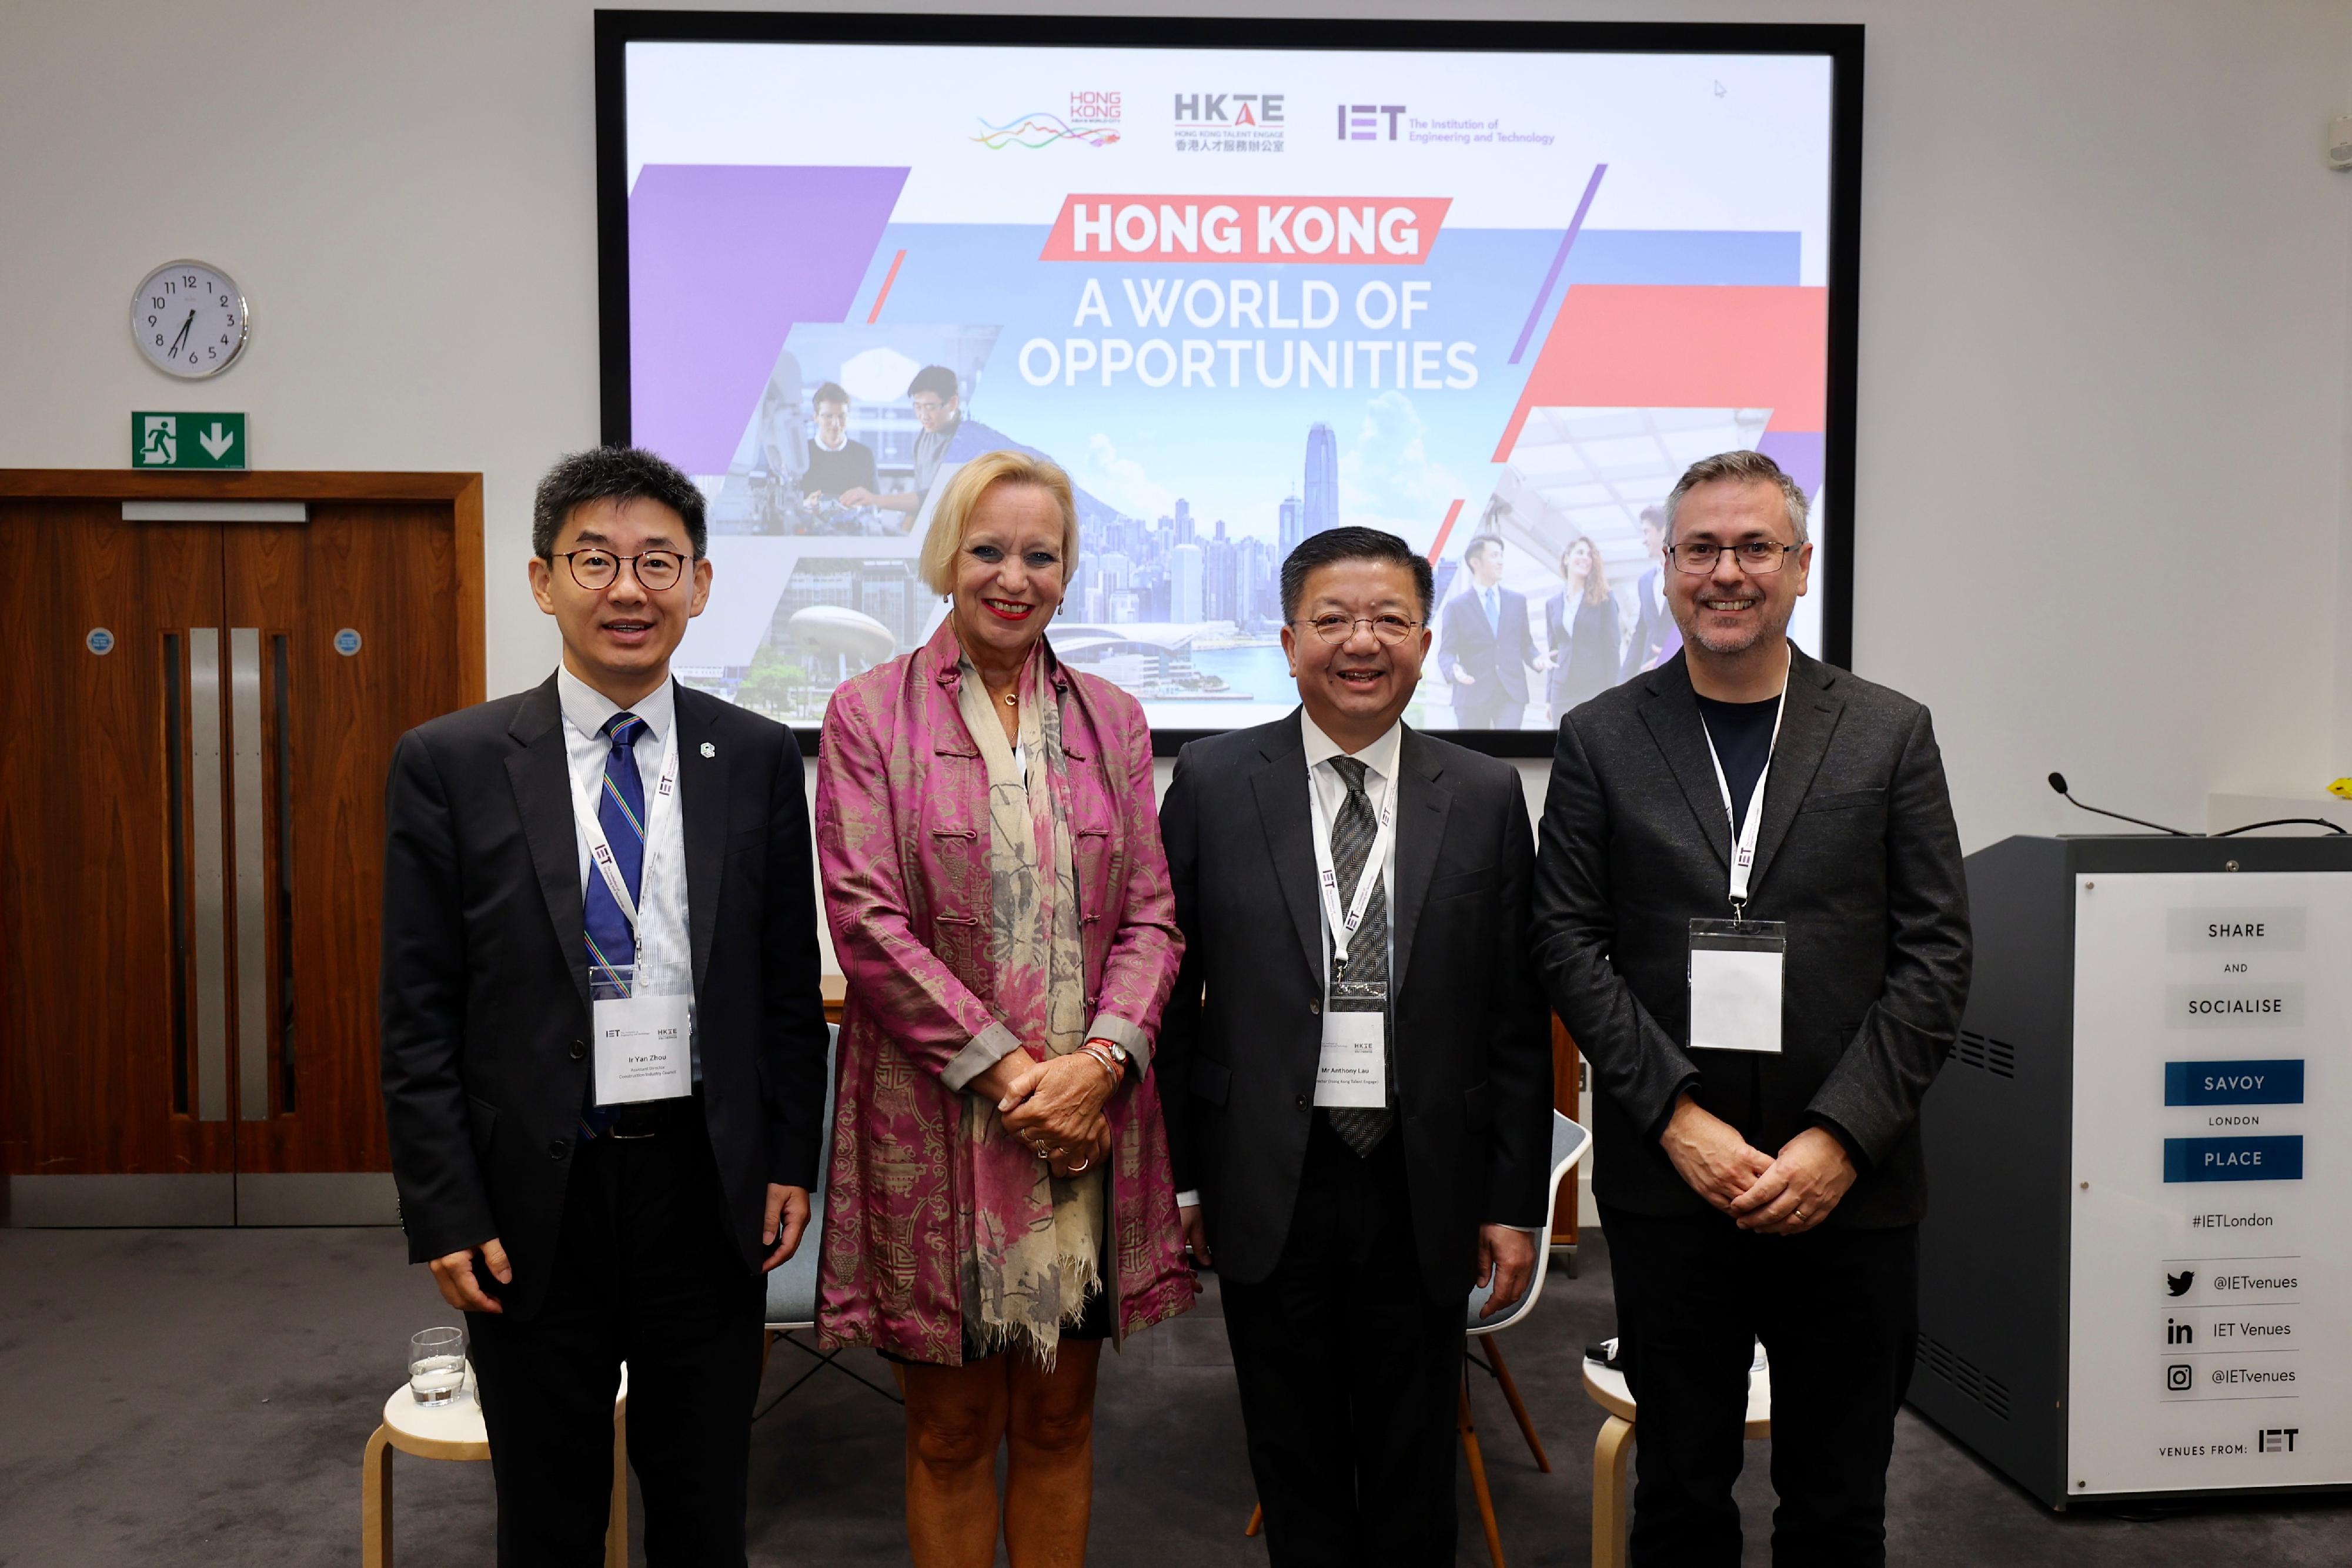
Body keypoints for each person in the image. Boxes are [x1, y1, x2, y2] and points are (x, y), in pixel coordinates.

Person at [380, 446, 831, 1564]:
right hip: (537, 1189)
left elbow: (785, 984)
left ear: (701, 583)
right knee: (547, 1509)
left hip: (704, 1181)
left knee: (702, 1500)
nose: (628, 589)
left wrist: (789, 1157)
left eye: (657, 562)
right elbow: (418, 1004)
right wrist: (446, 1205)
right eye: (595, 561)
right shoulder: (453, 761)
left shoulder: (760, 756)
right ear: (543, 581)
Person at [1531, 449, 1970, 1566]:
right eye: (1701, 548)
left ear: (1800, 566)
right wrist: (1677, 1120)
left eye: (1754, 547)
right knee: (1681, 1498)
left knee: (1838, 1505)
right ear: (1667, 566)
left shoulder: (1888, 729)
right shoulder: (1600, 735)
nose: (1727, 571)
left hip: (1852, 1191)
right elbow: (1568, 942)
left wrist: (1838, 1137)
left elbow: (1936, 953)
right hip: (1673, 1185)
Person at [813, 450, 1194, 1568]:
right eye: (989, 550)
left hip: (1087, 1126)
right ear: (948, 558)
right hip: (935, 1125)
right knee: (948, 1430)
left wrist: (1103, 1064)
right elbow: (867, 922)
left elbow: (1151, 919)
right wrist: (1017, 1074)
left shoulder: (1115, 720)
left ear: (1071, 572)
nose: (1013, 575)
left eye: (1041, 553)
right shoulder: (866, 713)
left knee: (1061, 1418)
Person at [1158, 526, 1553, 1566]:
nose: (1360, 642)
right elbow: (1167, 998)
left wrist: (1516, 1200)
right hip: (1265, 1172)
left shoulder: (1479, 792)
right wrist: (1185, 1183)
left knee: (1416, 1456)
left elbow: (1517, 1015)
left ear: (1426, 641)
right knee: (1293, 1460)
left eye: (1388, 619)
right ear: (1288, 642)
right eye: (1332, 620)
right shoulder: (1211, 780)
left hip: (1425, 1177)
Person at [1435, 533, 1537, 729]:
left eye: (1501, 556)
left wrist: (1537, 659)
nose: (1501, 562)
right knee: (1474, 756)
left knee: (1507, 753)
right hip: (1471, 694)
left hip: (1511, 693)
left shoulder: (1517, 602)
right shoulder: (1456, 607)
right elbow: (1446, 652)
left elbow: (1527, 645)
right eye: (1494, 556)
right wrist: (1454, 669)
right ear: (1476, 562)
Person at [841, 364, 963, 520]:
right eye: (918, 407)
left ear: (953, 403)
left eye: (930, 407)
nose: (923, 415)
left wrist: (875, 500)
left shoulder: (964, 442)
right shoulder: (924, 435)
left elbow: (938, 498)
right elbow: (918, 495)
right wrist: (904, 535)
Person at [1538, 533, 1622, 724]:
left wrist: (1612, 692)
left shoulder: (1604, 598)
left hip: (1594, 686)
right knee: (1560, 745)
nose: (1586, 558)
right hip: (1561, 687)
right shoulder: (1552, 604)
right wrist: (1548, 699)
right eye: (1580, 552)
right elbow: (1553, 653)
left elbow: (1613, 646)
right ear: (1567, 558)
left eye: (1590, 555)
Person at [1621, 504, 1681, 680]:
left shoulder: (1687, 573)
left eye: (1646, 532)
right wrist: (1620, 682)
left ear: (1663, 530)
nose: (1644, 540)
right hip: (1649, 675)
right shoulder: (1645, 582)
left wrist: (1670, 654)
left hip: (1682, 673)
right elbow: (1641, 633)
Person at [800, 380, 878, 502]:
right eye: (828, 416)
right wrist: (805, 506)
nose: (835, 424)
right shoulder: (801, 454)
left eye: (842, 416)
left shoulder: (864, 455)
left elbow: (875, 504)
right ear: (816, 418)